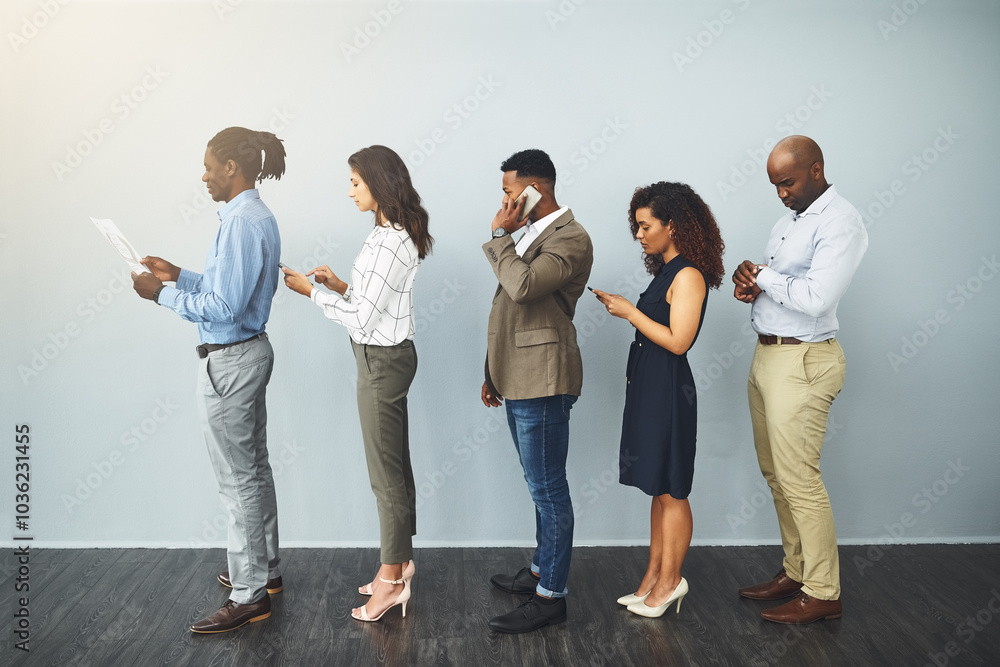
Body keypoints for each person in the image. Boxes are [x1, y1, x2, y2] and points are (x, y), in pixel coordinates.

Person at [132, 127, 286, 633]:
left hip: (230, 362)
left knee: (237, 481)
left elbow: (223, 308)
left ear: (231, 170)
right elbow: (226, 289)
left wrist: (160, 295)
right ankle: (264, 572)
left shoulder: (241, 221)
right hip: (246, 355)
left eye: (208, 167)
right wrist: (179, 273)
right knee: (254, 469)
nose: (203, 176)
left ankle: (248, 595)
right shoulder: (251, 216)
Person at [281, 145, 431, 623]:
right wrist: (342, 286)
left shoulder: (390, 241)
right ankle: (401, 562)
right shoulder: (389, 233)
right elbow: (374, 302)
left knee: (384, 476)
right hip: (386, 357)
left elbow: (364, 321)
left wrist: (314, 293)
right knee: (396, 466)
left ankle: (390, 581)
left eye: (355, 182)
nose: (349, 191)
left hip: (380, 362)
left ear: (379, 184)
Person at [732, 135, 867, 624]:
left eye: (786, 182)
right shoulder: (788, 223)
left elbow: (815, 297)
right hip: (769, 356)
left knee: (800, 480)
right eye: (774, 185)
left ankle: (824, 591)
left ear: (816, 169)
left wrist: (763, 277)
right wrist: (752, 288)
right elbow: (783, 287)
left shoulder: (841, 222)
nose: (781, 193)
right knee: (776, 476)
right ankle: (797, 570)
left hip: (806, 362)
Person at [594, 182, 724, 618]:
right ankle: (653, 576)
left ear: (672, 225)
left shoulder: (688, 275)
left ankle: (671, 582)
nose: (638, 234)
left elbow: (679, 341)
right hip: (648, 387)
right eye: (636, 226)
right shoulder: (666, 272)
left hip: (669, 390)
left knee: (673, 489)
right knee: (657, 486)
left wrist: (631, 312)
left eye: (645, 225)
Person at [480, 149, 594, 634]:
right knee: (538, 485)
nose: (504, 202)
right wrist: (492, 370)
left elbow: (524, 287)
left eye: (510, 192)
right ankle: (538, 571)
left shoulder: (571, 239)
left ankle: (552, 597)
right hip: (519, 372)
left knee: (549, 489)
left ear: (536, 190)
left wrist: (500, 235)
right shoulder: (532, 233)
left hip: (545, 378)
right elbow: (508, 307)